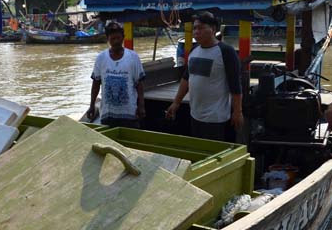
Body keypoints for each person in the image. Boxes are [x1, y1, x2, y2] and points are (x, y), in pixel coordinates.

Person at [165, 11, 243, 142]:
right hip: (195, 115)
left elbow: (235, 86)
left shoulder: (226, 52)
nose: (196, 32)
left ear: (213, 29)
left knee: (214, 156)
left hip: (216, 118)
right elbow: (186, 79)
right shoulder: (194, 51)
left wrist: (237, 112)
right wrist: (176, 102)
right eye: (194, 28)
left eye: (200, 28)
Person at [86, 22, 146, 128]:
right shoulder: (101, 58)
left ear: (123, 37)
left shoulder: (133, 57)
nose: (116, 42)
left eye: (118, 38)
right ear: (108, 39)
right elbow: (96, 84)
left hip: (129, 114)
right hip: (107, 114)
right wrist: (91, 106)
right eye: (113, 39)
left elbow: (139, 84)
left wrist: (141, 106)